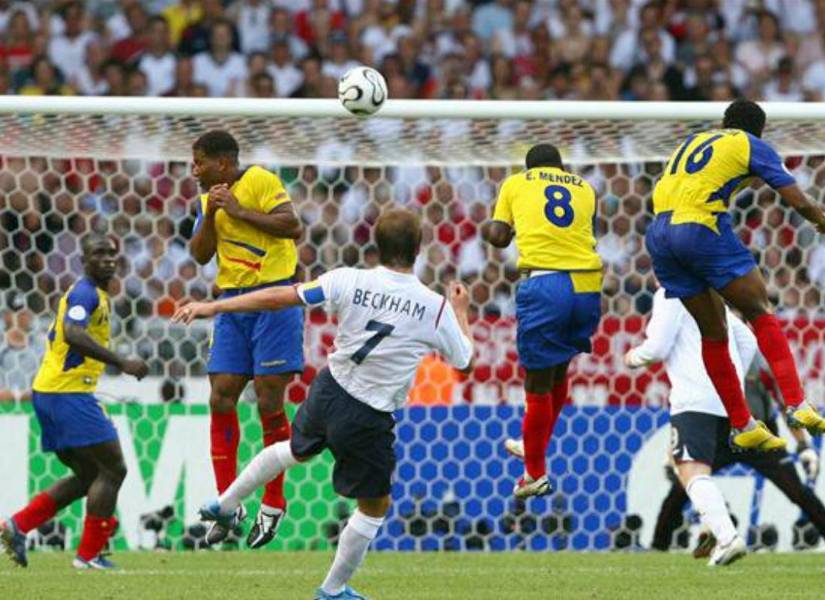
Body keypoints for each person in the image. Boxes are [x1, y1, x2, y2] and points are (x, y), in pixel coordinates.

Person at [173, 208, 474, 600]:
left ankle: (225, 502)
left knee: (291, 451)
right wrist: (462, 313)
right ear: (418, 249)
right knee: (374, 505)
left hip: (328, 388)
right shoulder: (433, 307)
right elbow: (464, 361)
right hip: (369, 411)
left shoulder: (348, 278)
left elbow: (283, 295)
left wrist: (215, 307)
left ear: (376, 245)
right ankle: (332, 590)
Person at [646, 99, 825, 452]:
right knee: (761, 309)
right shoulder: (750, 144)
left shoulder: (695, 141)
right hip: (700, 226)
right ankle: (797, 404)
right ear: (759, 131)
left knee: (713, 332)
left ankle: (742, 424)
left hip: (659, 234)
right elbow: (798, 201)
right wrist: (821, 221)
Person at [627, 287, 825, 565]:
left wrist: (803, 445)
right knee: (681, 489)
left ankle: (715, 533)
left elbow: (782, 400)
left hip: (756, 430)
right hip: (724, 429)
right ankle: (659, 546)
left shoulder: (750, 353)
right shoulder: (714, 336)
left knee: (796, 491)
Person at [0, 234, 148, 569]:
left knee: (89, 475)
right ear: (84, 260)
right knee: (114, 468)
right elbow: (73, 332)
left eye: (112, 252)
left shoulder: (96, 295)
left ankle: (18, 525)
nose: (108, 258)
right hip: (66, 394)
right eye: (99, 252)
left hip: (54, 392)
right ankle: (89, 555)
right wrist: (122, 362)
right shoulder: (84, 293)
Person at [189, 130, 304, 548]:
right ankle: (227, 503)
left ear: (223, 163)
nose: (194, 169)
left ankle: (274, 502)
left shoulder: (261, 181)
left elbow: (293, 227)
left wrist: (238, 210)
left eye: (199, 161)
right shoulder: (208, 199)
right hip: (234, 303)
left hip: (274, 298)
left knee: (270, 400)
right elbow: (201, 254)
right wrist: (212, 214)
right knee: (220, 395)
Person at [481, 143, 602, 499]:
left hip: (547, 283)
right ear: (562, 166)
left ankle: (534, 473)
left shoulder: (516, 183)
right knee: (558, 372)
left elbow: (500, 238)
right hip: (588, 285)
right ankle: (533, 446)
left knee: (535, 383)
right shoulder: (585, 188)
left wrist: (504, 224)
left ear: (529, 166)